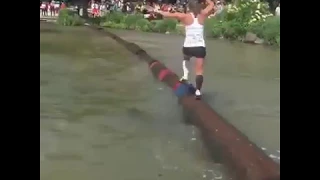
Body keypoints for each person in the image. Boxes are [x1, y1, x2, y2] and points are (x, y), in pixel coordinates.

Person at [153, 0, 215, 99]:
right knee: (199, 71)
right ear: (199, 7)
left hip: (188, 47)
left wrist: (158, 10)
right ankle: (198, 91)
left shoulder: (184, 16)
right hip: (200, 47)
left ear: (189, 7)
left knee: (186, 57)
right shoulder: (203, 14)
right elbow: (212, 4)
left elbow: (168, 14)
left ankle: (185, 75)